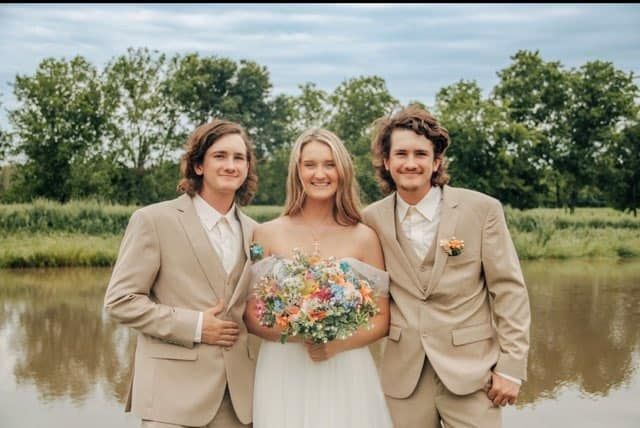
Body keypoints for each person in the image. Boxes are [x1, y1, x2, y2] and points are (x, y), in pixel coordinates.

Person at [362, 105, 531, 428]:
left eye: (420, 154)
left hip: (472, 375)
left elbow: (509, 292)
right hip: (404, 378)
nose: (410, 163)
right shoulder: (371, 219)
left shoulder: (481, 210)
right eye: (401, 154)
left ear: (436, 161)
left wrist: (511, 367)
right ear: (386, 161)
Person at [104, 119, 259, 428]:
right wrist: (197, 325)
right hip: (171, 397)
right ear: (198, 165)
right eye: (220, 156)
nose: (231, 165)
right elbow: (120, 301)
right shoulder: (153, 220)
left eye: (239, 158)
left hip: (239, 400)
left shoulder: (256, 231)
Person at [244, 128, 393, 428]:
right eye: (310, 164)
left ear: (343, 170)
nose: (320, 173)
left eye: (329, 164)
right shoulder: (265, 233)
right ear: (297, 171)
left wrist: (334, 344)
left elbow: (381, 319)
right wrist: (301, 334)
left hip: (346, 363)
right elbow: (251, 315)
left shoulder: (365, 237)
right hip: (283, 366)